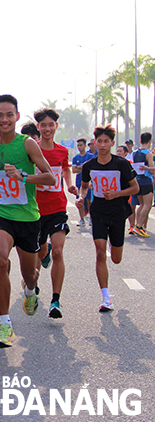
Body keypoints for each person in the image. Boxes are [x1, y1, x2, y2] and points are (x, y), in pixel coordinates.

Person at [0, 95, 55, 348]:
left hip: (28, 218)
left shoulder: (28, 144)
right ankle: (5, 324)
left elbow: (50, 178)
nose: (4, 119)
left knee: (29, 274)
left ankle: (30, 291)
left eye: (9, 114)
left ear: (17, 117)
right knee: (0, 259)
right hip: (1, 213)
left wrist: (23, 176)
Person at [77, 125, 138, 312]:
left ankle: (115, 244)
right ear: (94, 143)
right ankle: (105, 297)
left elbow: (134, 188)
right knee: (100, 252)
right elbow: (85, 186)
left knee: (116, 259)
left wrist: (118, 193)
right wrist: (81, 197)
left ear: (112, 143)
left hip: (118, 211)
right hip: (99, 211)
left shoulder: (122, 164)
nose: (102, 145)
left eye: (106, 141)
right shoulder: (89, 165)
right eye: (99, 141)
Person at [33, 108, 78, 319]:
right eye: (43, 125)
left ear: (56, 126)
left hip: (58, 207)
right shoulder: (31, 151)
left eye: (51, 125)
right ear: (38, 127)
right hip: (36, 210)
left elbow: (65, 169)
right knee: (41, 253)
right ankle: (44, 252)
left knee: (59, 251)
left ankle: (56, 300)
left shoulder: (61, 151)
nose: (47, 128)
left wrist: (69, 185)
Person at [130, 132, 155, 237]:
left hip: (138, 180)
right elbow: (153, 170)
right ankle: (139, 226)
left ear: (140, 141)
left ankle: (137, 225)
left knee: (141, 205)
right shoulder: (148, 154)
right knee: (148, 205)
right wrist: (147, 168)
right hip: (146, 181)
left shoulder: (135, 153)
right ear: (150, 142)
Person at [72, 138, 95, 226]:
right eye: (78, 145)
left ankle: (91, 218)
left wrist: (80, 168)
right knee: (80, 199)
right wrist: (83, 168)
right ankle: (81, 219)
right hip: (79, 181)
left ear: (85, 146)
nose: (79, 147)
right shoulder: (75, 157)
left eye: (81, 145)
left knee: (89, 200)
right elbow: (74, 170)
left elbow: (91, 168)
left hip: (88, 180)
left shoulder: (90, 156)